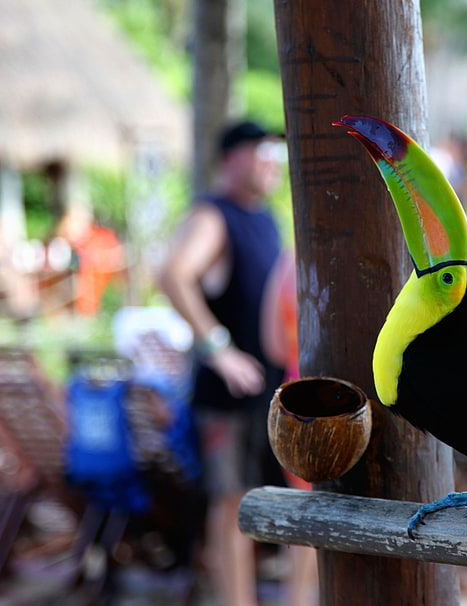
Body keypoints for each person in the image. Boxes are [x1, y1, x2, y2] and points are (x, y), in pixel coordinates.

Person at [159, 119, 287, 606]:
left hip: (268, 387)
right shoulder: (213, 214)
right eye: (260, 153)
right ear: (230, 159)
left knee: (257, 501)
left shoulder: (265, 217)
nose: (270, 163)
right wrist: (219, 350)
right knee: (232, 501)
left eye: (274, 154)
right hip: (226, 393)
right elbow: (173, 275)